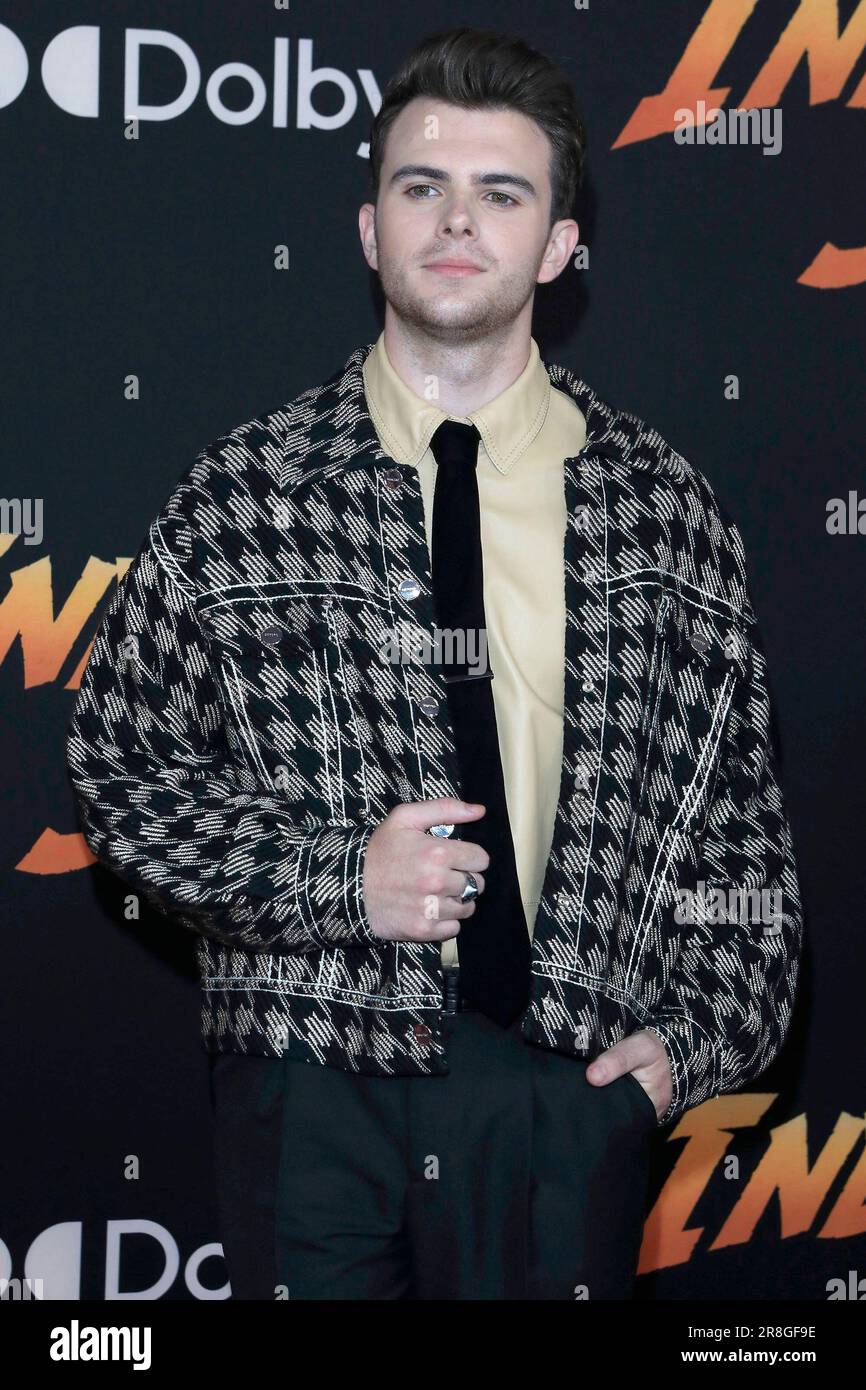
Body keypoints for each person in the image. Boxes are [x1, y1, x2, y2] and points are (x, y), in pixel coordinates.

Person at [66, 25, 803, 1301]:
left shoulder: (662, 510)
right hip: (309, 1070)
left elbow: (737, 838)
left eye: (499, 193)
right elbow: (119, 770)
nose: (456, 221)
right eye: (422, 187)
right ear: (368, 229)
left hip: (559, 1091)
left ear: (560, 244)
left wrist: (683, 1050)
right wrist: (332, 872)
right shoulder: (247, 492)